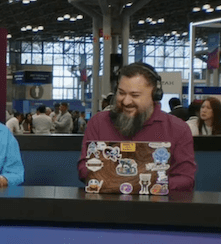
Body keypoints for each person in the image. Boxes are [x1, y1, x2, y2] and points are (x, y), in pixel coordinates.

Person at [78, 62, 196, 191]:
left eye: (135, 95)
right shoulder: (98, 122)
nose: (126, 101)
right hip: (107, 206)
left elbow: (186, 179)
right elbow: (84, 169)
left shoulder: (178, 129)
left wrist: (145, 184)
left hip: (158, 208)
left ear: (155, 95)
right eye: (121, 93)